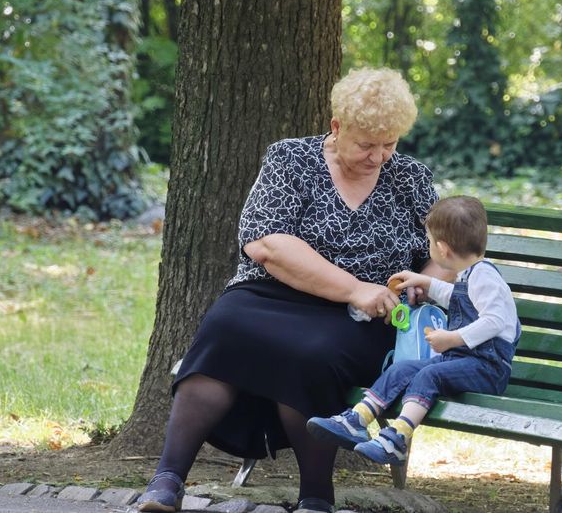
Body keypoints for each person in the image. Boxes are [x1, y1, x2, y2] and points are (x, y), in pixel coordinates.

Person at [134, 67, 443, 513]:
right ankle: (167, 480)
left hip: (360, 318)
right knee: (225, 327)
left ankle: (316, 496)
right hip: (272, 294)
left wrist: (425, 281)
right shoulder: (291, 159)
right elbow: (266, 244)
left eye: (389, 144)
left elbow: (440, 252)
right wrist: (352, 287)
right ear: (337, 127)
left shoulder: (410, 178)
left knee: (311, 353)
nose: (378, 156)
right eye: (366, 144)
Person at [306, 196, 521, 465]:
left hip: (487, 369)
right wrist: (425, 281)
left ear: (442, 249)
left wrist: (452, 338)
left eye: (429, 241)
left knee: (430, 374)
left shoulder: (485, 277)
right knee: (402, 369)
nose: (428, 245)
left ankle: (397, 439)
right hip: (464, 361)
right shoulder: (471, 274)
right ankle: (357, 419)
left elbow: (495, 321)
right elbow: (456, 298)